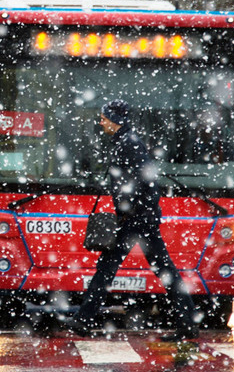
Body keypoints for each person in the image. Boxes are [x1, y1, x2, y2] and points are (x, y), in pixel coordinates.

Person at [65, 100, 199, 341]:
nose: (101, 122)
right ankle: (187, 322)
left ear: (116, 120)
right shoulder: (124, 142)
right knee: (160, 270)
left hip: (137, 219)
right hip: (138, 218)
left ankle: (83, 319)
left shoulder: (130, 144)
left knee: (108, 269)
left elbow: (147, 181)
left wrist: (133, 210)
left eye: (104, 117)